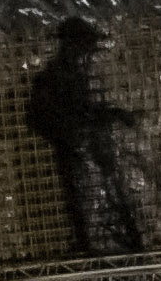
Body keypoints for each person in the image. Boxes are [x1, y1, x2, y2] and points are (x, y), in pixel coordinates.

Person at [27, 17, 153, 255]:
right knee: (92, 206)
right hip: (80, 151)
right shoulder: (56, 77)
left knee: (107, 203)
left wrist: (113, 116)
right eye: (85, 46)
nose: (89, 54)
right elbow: (56, 116)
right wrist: (73, 136)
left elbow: (81, 112)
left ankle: (120, 250)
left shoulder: (71, 73)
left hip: (89, 148)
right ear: (72, 45)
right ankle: (106, 252)